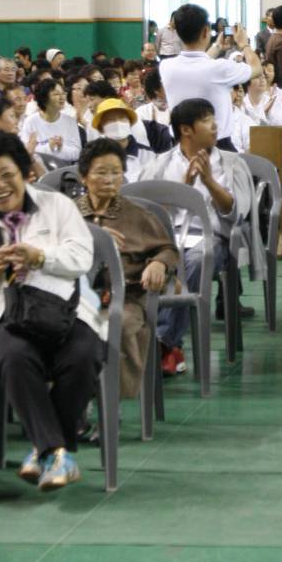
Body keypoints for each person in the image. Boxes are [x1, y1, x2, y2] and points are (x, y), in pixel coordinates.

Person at [0, 131, 103, 491]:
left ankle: (44, 450)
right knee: (16, 359)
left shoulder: (58, 207)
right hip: (6, 315)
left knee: (83, 355)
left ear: (24, 172)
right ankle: (58, 452)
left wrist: (40, 256)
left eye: (6, 174)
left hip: (64, 308)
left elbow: (81, 257)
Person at [139, 98, 250, 375]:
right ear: (186, 130)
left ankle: (164, 342)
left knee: (197, 260)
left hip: (213, 238)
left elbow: (236, 214)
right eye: (206, 120)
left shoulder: (230, 163)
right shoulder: (161, 164)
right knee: (159, 260)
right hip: (169, 239)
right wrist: (185, 186)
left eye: (214, 118)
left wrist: (210, 181)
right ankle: (158, 343)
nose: (214, 126)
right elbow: (147, 216)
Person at [75, 139, 177, 399]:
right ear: (83, 176)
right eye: (101, 172)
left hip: (126, 299)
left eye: (116, 172)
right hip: (74, 299)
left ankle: (110, 408)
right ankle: (71, 405)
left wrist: (158, 263)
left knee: (115, 325)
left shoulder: (138, 215)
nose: (110, 179)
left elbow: (167, 249)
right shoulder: (68, 215)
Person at [159, 3, 261, 150]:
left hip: (180, 145)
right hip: (217, 146)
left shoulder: (166, 66)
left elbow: (196, 66)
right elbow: (256, 69)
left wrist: (217, 47)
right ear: (206, 31)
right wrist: (244, 44)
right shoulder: (220, 68)